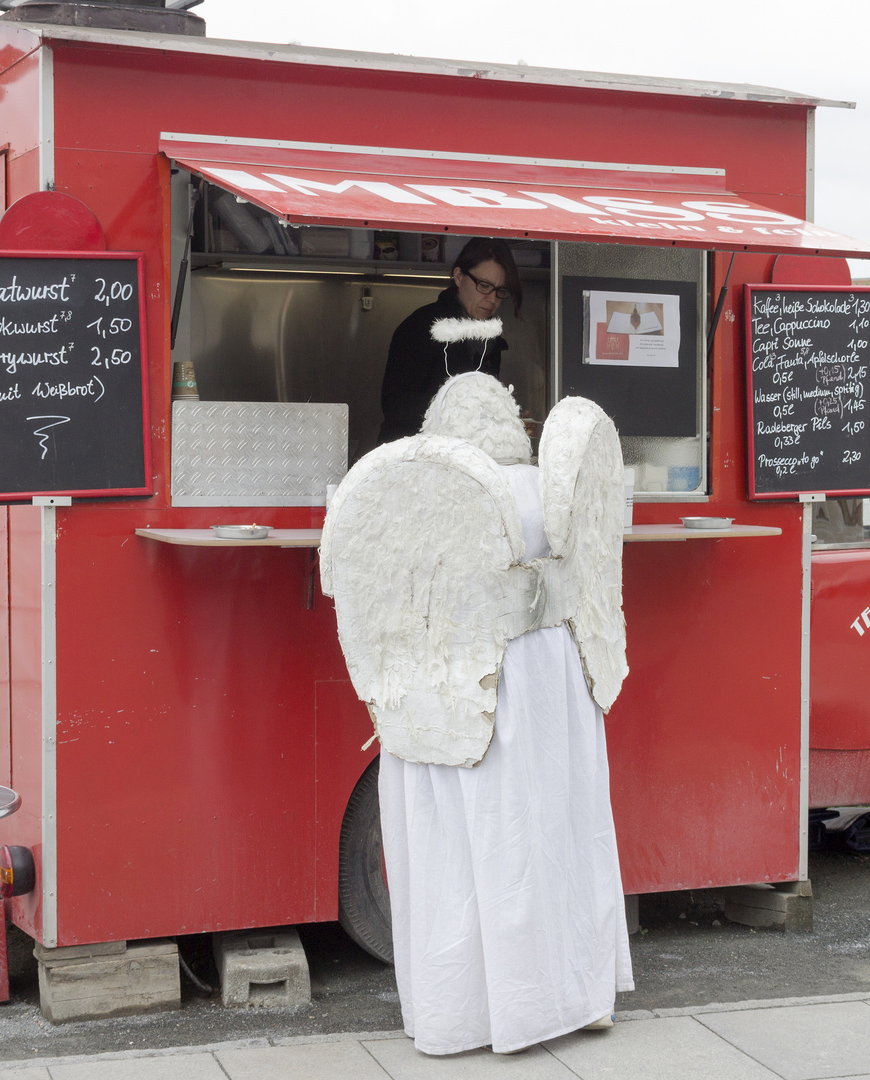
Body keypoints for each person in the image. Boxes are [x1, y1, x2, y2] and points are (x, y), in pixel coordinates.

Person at [328, 375, 633, 1055]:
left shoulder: (413, 494)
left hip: (455, 690)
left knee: (463, 850)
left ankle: (462, 1012)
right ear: (513, 427)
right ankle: (579, 998)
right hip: (555, 686)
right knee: (555, 835)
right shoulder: (544, 488)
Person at [377, 237, 523, 442]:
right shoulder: (424, 326)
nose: (492, 300)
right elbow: (396, 405)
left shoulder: (490, 337)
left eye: (500, 291)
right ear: (458, 276)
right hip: (411, 455)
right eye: (483, 285)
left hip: (463, 457)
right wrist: (461, 409)